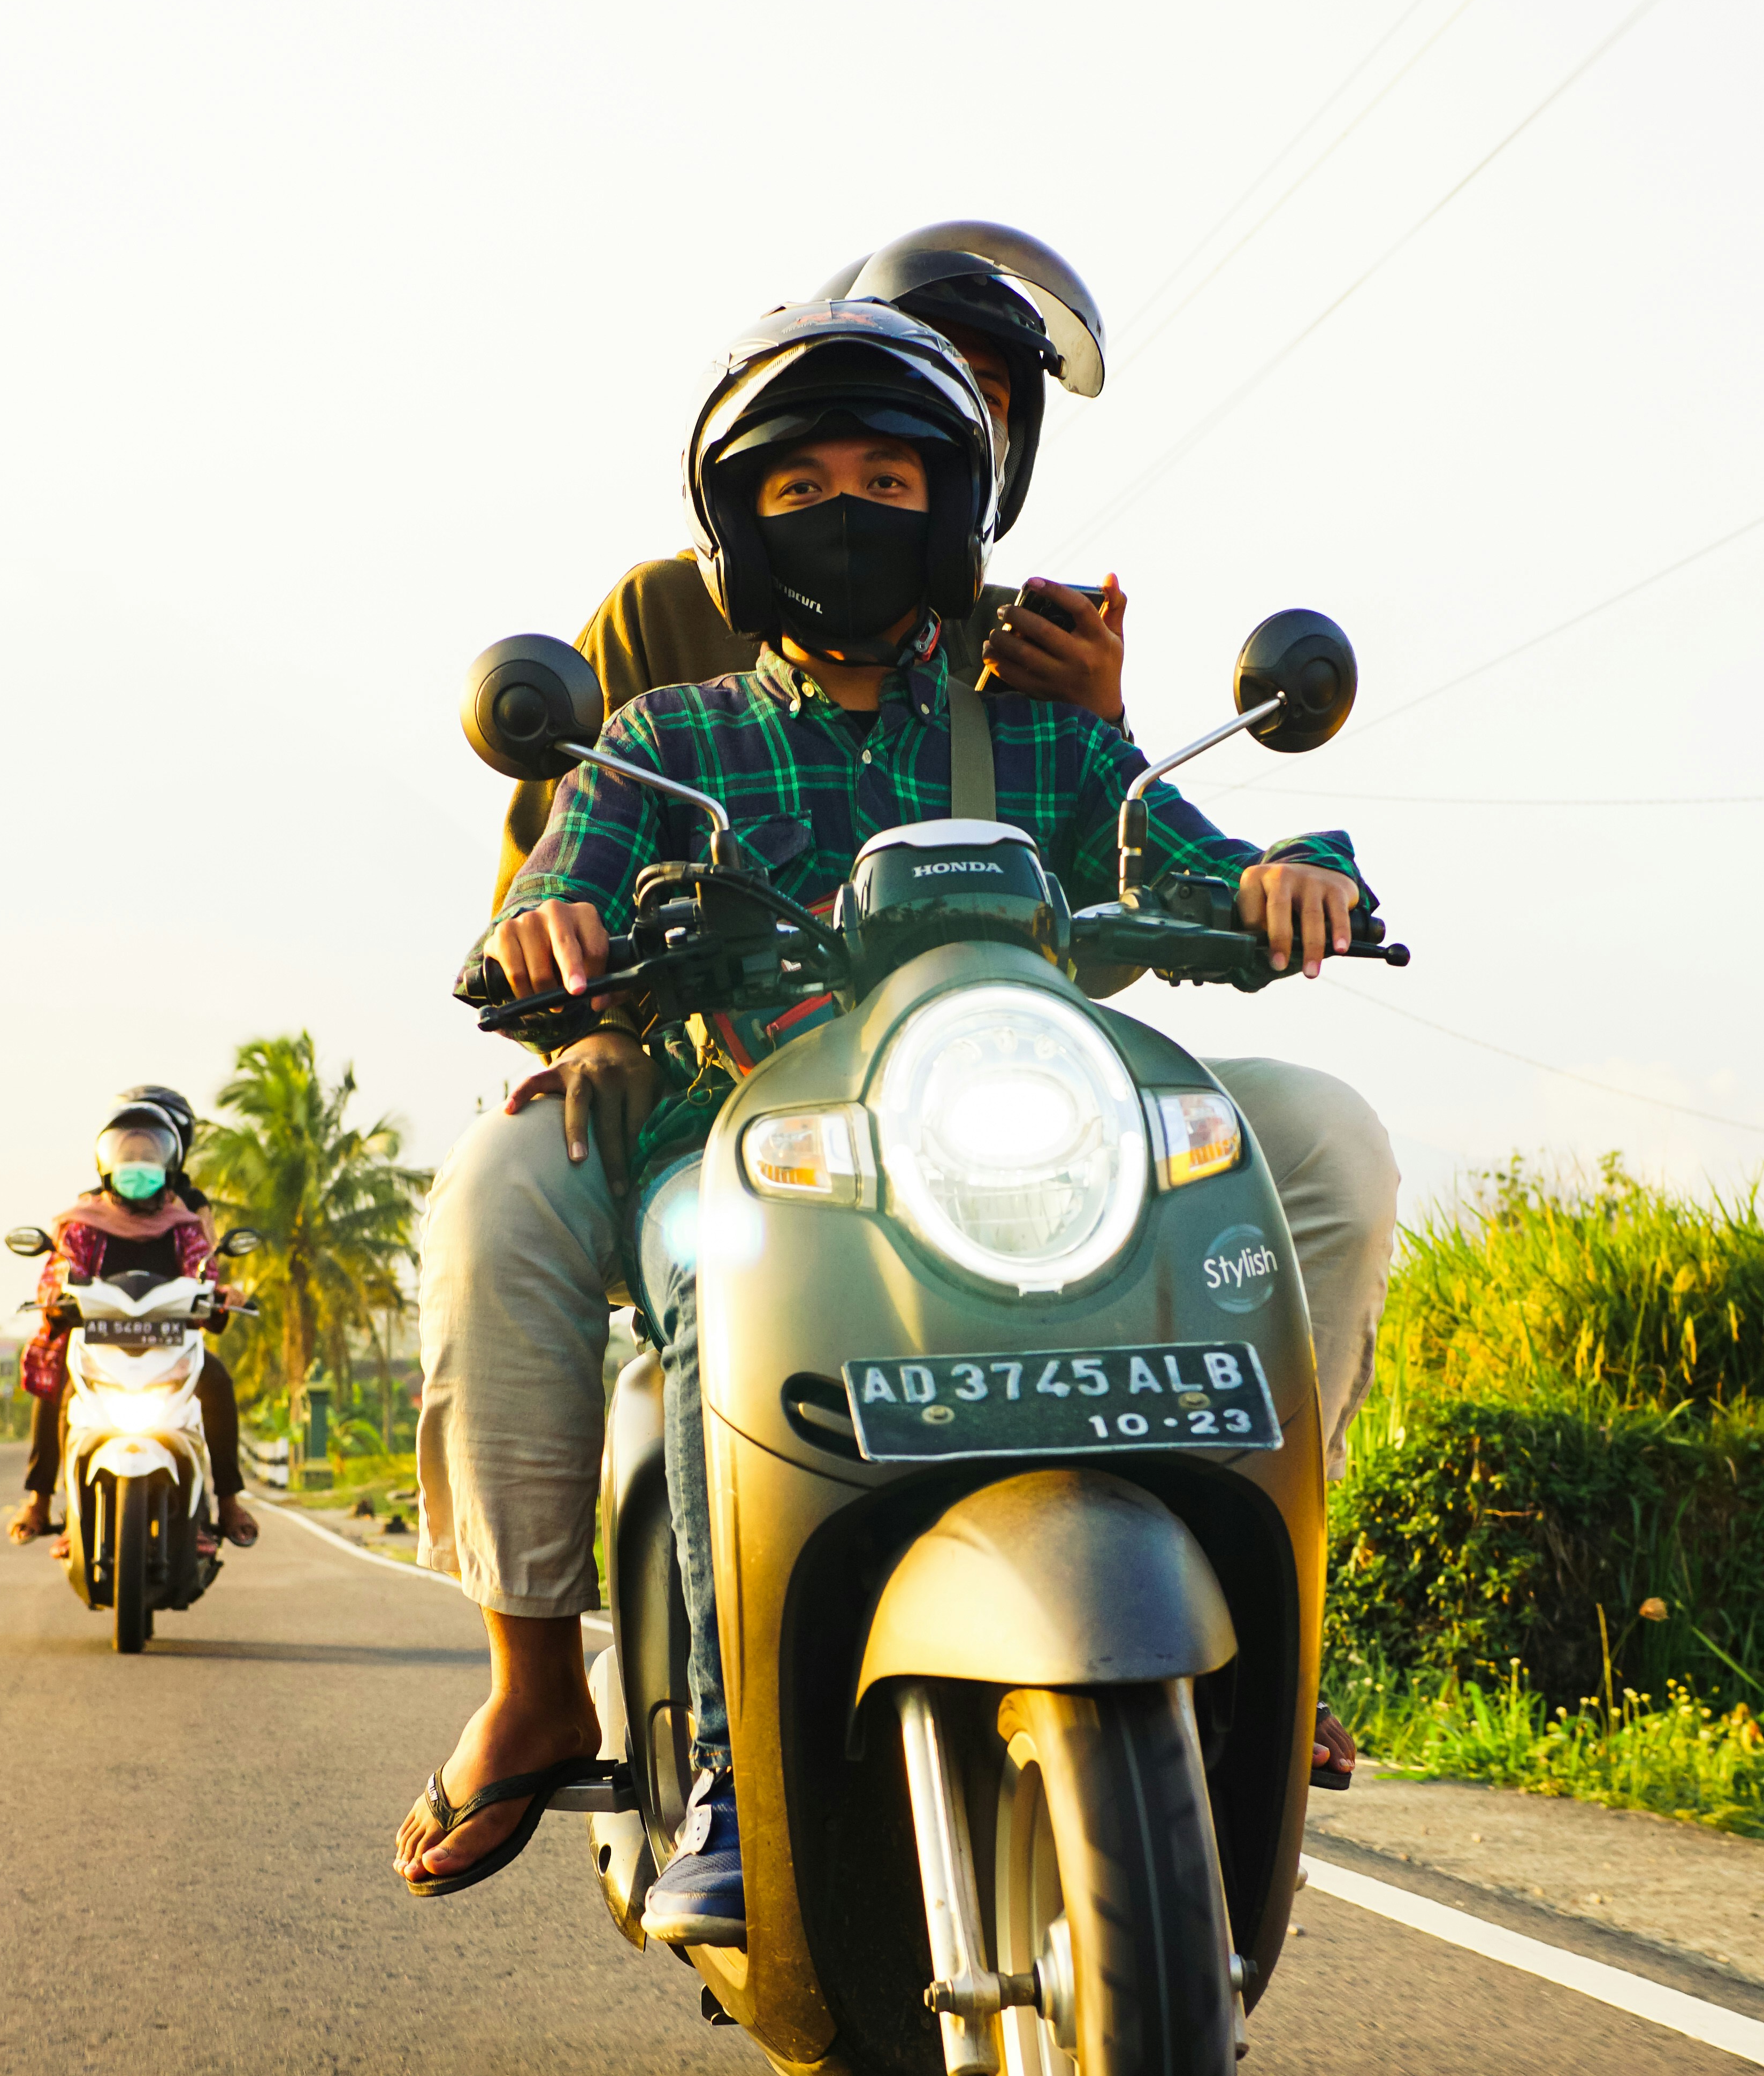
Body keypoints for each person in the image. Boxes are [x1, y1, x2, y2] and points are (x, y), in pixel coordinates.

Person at [398, 301, 1388, 1923]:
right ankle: (705, 1759)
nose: (849, 514)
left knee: (1326, 1131)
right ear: (737, 528)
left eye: (888, 477)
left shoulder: (1053, 742)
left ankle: (1276, 1641)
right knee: (695, 1243)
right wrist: (545, 937)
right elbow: (556, 896)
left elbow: (1189, 858)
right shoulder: (667, 746)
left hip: (1021, 1158)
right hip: (758, 1155)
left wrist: (1291, 882)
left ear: (954, 512)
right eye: (800, 491)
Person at [489, 223, 1132, 911]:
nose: (957, 400)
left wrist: (1101, 717)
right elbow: (549, 923)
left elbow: (1108, 950)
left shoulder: (1023, 641)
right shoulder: (665, 623)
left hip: (978, 1015)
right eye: (924, 369)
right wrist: (582, 971)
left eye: (985, 392)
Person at [10, 1101, 258, 1550]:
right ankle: (43, 1503)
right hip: (101, 1344)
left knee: (217, 1381)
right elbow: (58, 1272)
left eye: (149, 1156)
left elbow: (205, 1275)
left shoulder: (184, 1225)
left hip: (169, 1344)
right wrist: (55, 1295)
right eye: (129, 1156)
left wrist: (222, 1296)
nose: (139, 1166)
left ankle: (228, 1501)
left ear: (169, 1164)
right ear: (107, 1163)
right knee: (57, 1388)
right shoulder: (82, 1223)